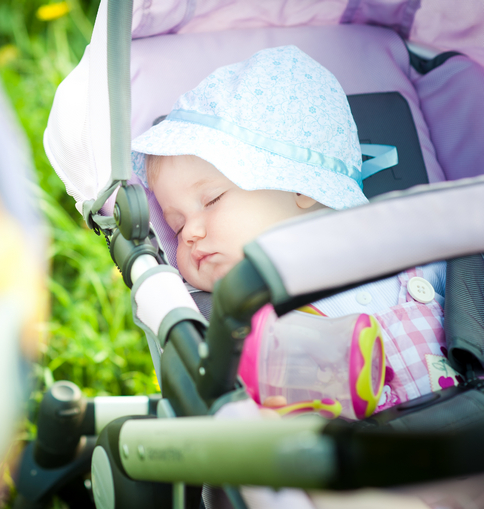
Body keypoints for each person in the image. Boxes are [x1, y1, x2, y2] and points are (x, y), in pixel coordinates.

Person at [130, 45, 452, 413]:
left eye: (212, 200)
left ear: (301, 187)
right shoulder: (246, 328)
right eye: (176, 225)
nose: (189, 235)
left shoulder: (413, 255)